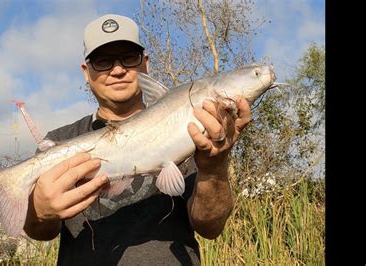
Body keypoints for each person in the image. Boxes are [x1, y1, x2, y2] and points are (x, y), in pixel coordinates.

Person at [23, 14, 252, 265]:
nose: (118, 70)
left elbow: (210, 227)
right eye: (103, 61)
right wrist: (40, 212)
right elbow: (41, 232)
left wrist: (214, 167)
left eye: (129, 58)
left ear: (145, 64)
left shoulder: (193, 128)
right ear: (86, 72)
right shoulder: (60, 141)